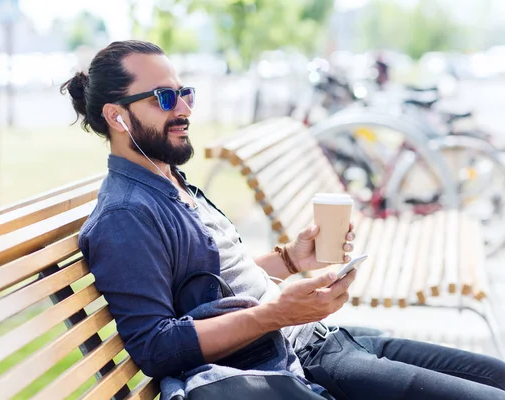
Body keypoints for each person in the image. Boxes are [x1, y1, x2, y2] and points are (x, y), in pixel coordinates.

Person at [62, 40, 505, 399]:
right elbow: (155, 347)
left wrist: (291, 260)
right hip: (298, 365)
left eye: (185, 92)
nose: (184, 108)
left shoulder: (167, 179)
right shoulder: (126, 217)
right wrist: (274, 314)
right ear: (116, 116)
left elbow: (213, 279)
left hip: (326, 340)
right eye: (164, 97)